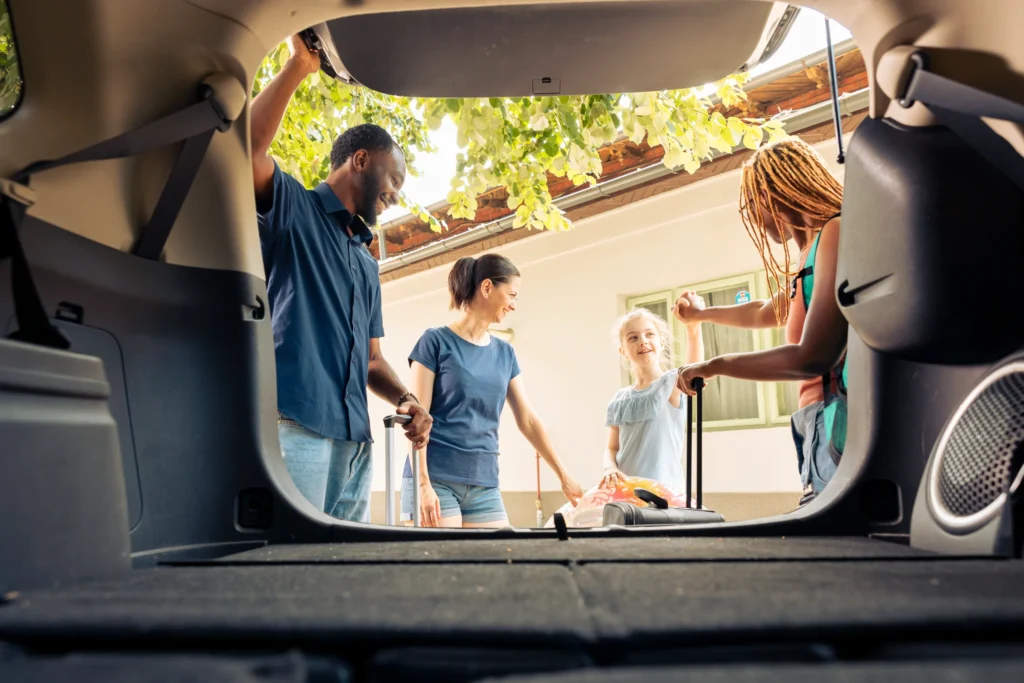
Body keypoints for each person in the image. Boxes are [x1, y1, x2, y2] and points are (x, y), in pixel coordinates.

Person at [251, 34, 431, 522]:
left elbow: (372, 360)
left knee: (343, 576)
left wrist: (407, 399)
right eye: (394, 180)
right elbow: (243, 149)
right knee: (293, 570)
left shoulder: (367, 260)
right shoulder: (293, 206)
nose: (396, 196)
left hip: (357, 448)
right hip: (296, 429)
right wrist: (299, 67)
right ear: (360, 160)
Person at [673, 137, 847, 503]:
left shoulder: (835, 233)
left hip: (838, 418)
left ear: (777, 193)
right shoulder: (810, 256)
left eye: (754, 205)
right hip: (814, 421)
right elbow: (765, 310)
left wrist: (716, 364)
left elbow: (812, 357)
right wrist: (701, 314)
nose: (754, 218)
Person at [401, 254, 583, 528]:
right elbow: (416, 421)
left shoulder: (505, 353)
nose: (513, 305)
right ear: (487, 288)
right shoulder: (435, 342)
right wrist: (423, 485)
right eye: (511, 294)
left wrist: (563, 476)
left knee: (499, 563)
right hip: (436, 478)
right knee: (444, 569)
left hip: (484, 484)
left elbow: (528, 420)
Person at [600, 301, 704, 495]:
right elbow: (611, 448)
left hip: (666, 496)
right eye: (633, 337)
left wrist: (693, 327)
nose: (643, 341)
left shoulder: (671, 384)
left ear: (661, 342)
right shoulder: (619, 399)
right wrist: (610, 468)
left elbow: (695, 368)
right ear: (622, 350)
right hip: (627, 496)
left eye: (649, 334)